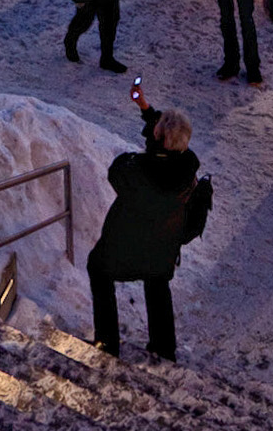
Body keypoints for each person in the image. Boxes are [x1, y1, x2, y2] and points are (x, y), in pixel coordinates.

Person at [87, 110, 207, 361]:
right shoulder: (188, 171)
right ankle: (164, 349)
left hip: (124, 249)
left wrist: (152, 146)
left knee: (98, 270)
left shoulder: (137, 169)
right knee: (157, 283)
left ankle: (107, 344)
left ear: (158, 138)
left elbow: (115, 171)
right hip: (162, 252)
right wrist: (147, 111)